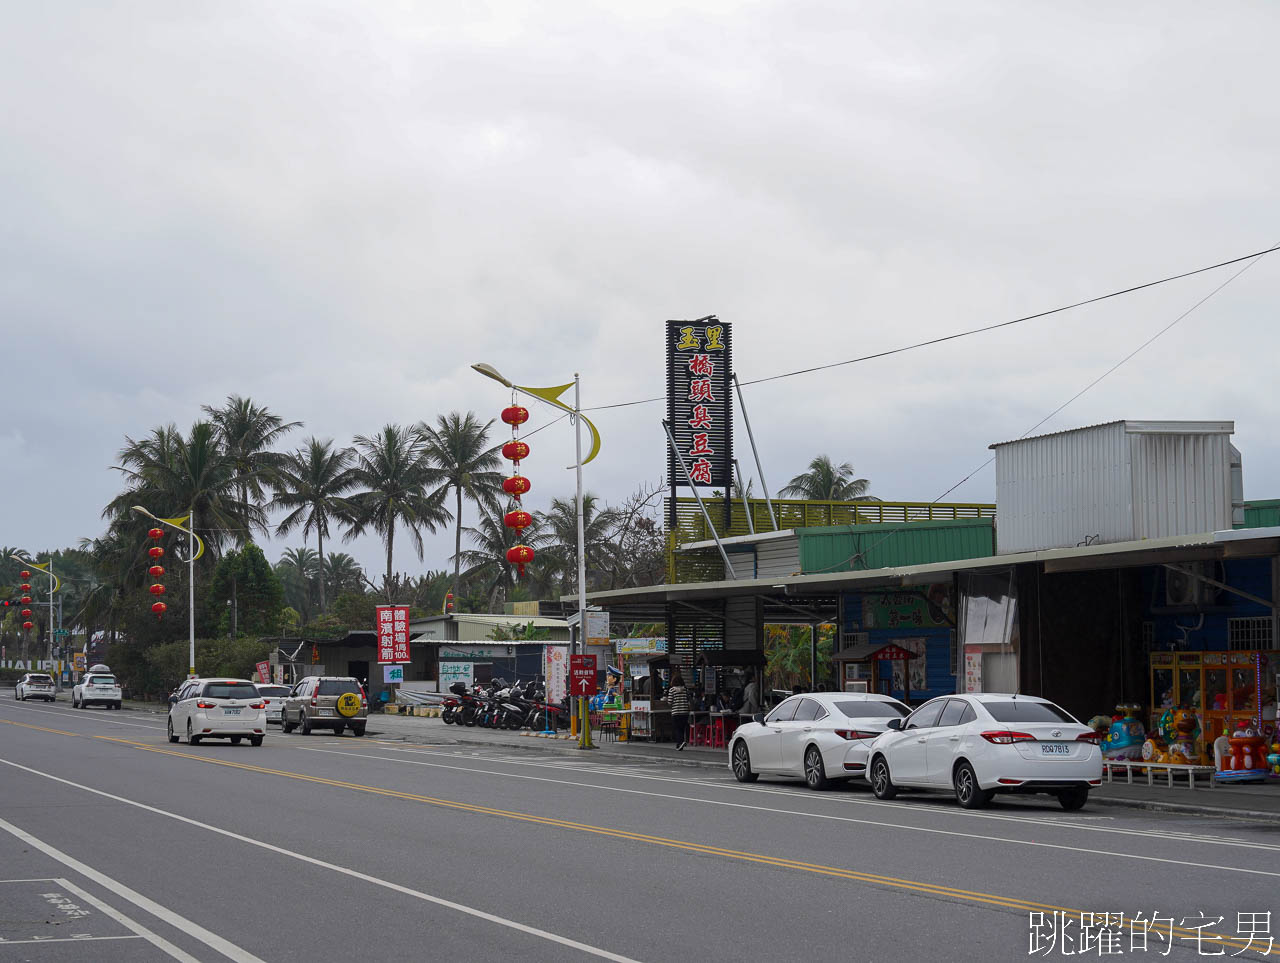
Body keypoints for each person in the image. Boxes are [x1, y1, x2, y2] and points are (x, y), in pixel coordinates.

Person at [667, 669, 691, 750]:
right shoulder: (685, 689)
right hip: (685, 712)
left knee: (677, 729)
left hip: (676, 712)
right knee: (682, 727)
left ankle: (680, 743)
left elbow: (670, 702)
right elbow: (688, 700)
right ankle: (681, 742)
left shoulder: (672, 690)